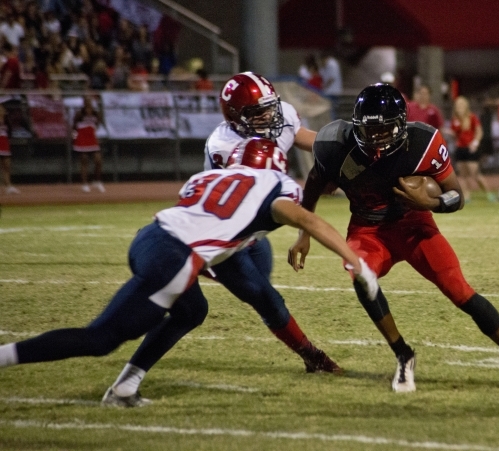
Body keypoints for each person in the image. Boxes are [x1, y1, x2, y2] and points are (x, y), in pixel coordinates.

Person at [0, 138, 379, 407]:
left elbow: (217, 235)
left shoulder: (205, 178)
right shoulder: (275, 187)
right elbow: (308, 220)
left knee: (192, 310)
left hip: (150, 238)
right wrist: (356, 263)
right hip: (175, 255)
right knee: (101, 339)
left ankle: (125, 389)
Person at [289, 83, 499, 393]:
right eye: (371, 129)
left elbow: (456, 196)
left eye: (384, 129)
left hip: (414, 224)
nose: (377, 137)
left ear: (401, 124)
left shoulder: (423, 141)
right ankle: (403, 355)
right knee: (361, 275)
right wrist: (304, 233)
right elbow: (312, 187)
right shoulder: (335, 144)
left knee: (461, 291)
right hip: (368, 229)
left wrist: (430, 204)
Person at [102, 72, 337, 405]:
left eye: (269, 109)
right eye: (257, 113)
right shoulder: (223, 144)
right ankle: (313, 357)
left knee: (246, 294)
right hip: (221, 231)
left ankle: (126, 381)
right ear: (235, 116)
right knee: (261, 297)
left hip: (249, 233)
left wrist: (342, 146)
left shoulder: (280, 114)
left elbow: (304, 137)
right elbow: (240, 203)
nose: (268, 117)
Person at [449, 96, 495, 202]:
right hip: (460, 148)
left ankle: (489, 193)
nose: (459, 107)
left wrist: (475, 143)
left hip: (471, 149)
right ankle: (467, 195)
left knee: (475, 173)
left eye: (461, 104)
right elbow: (456, 135)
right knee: (463, 174)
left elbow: (479, 131)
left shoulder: (472, 117)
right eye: (458, 105)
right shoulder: (455, 120)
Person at [73, 96, 104, 193]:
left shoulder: (96, 114)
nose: (88, 103)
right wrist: (75, 137)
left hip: (92, 138)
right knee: (84, 160)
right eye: (87, 101)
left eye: (90, 101)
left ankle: (97, 180)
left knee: (98, 160)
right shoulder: (79, 114)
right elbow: (74, 126)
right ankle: (84, 184)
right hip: (82, 138)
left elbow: (98, 124)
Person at [0, 104, 19, 194]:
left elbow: (9, 132)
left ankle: (8, 186)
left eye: (2, 109)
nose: (2, 110)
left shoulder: (6, 121)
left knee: (7, 166)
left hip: (4, 144)